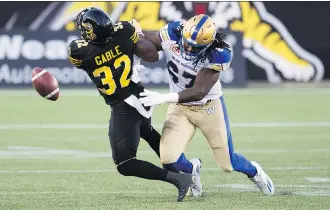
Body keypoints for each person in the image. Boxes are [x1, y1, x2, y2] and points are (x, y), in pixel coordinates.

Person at [133, 14, 275, 196]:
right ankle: (191, 169)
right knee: (168, 159)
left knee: (227, 164)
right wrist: (135, 34)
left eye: (195, 46)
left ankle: (255, 172)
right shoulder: (173, 31)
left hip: (208, 107)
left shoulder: (219, 53)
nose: (188, 47)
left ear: (208, 43)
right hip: (180, 109)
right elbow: (148, 45)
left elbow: (198, 91)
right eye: (186, 42)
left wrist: (162, 98)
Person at [67, 7, 194, 201]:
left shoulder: (78, 51)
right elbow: (151, 55)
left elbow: (86, 53)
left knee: (125, 164)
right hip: (140, 95)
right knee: (147, 132)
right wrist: (135, 35)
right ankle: (186, 167)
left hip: (124, 106)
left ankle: (179, 178)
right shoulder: (124, 30)